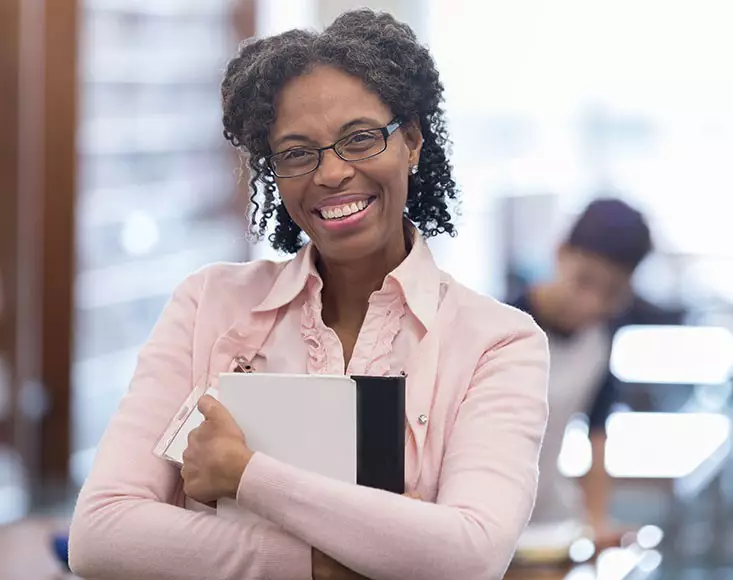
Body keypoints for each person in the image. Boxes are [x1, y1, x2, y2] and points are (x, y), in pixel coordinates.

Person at [68, 10, 549, 580]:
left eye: (361, 139)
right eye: (297, 153)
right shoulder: (209, 305)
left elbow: (467, 557)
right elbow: (101, 535)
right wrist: (320, 564)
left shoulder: (499, 343)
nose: (332, 173)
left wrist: (245, 474)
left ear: (413, 141)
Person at [510, 198, 653, 548]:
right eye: (584, 281)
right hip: (492, 522)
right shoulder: (502, 324)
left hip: (553, 522)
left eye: (612, 292)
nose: (592, 303)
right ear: (560, 253)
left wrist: (597, 519)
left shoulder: (601, 337)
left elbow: (598, 431)